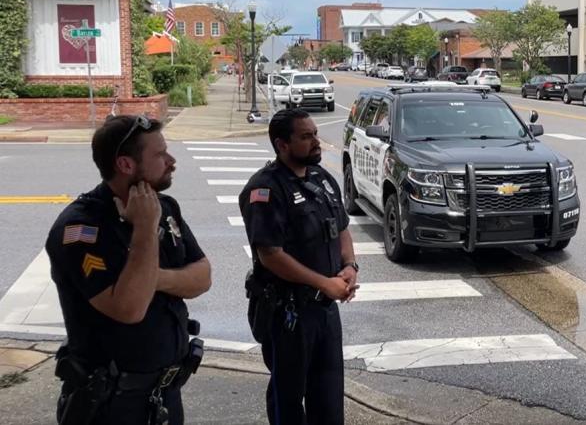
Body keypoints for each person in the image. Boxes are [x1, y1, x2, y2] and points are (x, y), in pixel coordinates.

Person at [46, 114, 211, 425]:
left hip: (163, 395)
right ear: (126, 165)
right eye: (160, 154)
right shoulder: (81, 228)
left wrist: (153, 278)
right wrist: (145, 228)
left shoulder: (165, 207)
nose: (171, 160)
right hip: (111, 404)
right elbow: (129, 308)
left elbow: (203, 276)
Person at [239, 108, 359, 425]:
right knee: (288, 401)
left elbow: (342, 228)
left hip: (325, 311)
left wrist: (349, 266)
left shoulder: (321, 178)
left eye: (315, 134)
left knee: (329, 398)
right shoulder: (264, 190)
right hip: (288, 314)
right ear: (282, 144)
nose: (316, 142)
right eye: (306, 137)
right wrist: (323, 283)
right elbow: (271, 255)